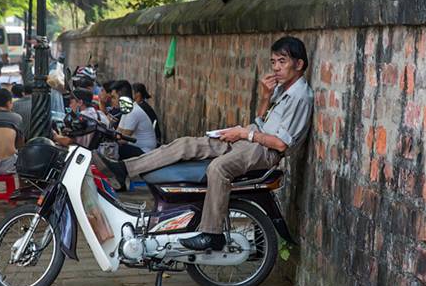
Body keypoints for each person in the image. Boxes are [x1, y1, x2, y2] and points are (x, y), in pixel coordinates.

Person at [102, 36, 314, 250]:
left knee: (218, 168)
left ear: (298, 64)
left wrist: (243, 133)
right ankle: (125, 169)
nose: (276, 67)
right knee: (186, 145)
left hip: (263, 151)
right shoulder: (281, 88)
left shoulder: (300, 96)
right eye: (273, 62)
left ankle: (212, 233)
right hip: (250, 138)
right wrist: (266, 96)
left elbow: (280, 145)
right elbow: (260, 120)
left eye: (282, 61)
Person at [110, 80, 157, 159]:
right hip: (136, 148)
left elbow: (123, 139)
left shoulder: (133, 111)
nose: (112, 101)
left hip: (145, 152)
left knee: (115, 149)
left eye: (114, 97)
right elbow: (118, 132)